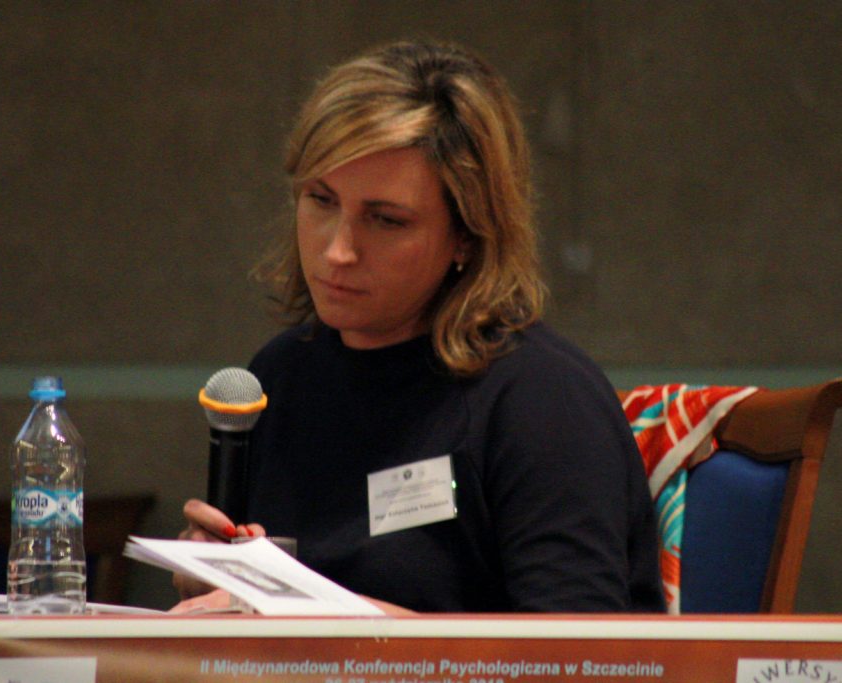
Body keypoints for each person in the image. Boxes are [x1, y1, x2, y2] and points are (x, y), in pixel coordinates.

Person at [174, 40, 665, 614]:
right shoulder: (280, 374)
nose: (337, 250)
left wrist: (323, 619)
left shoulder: (542, 399)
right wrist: (219, 586)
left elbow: (576, 652)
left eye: (385, 220)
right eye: (321, 200)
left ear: (468, 235)